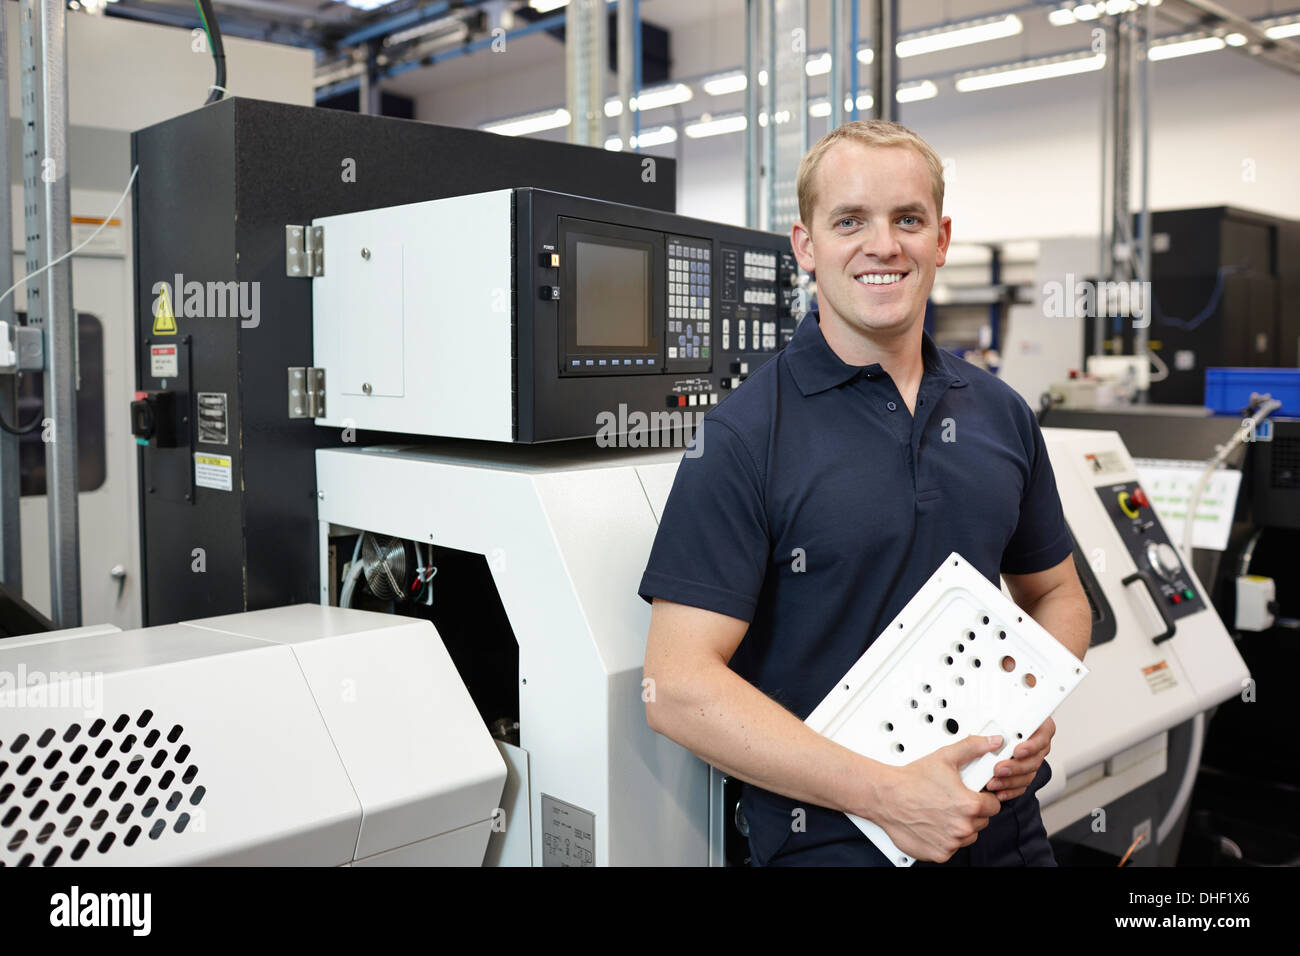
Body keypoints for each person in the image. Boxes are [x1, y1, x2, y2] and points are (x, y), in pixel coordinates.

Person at [638, 120, 1091, 866]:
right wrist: (888, 795)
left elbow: (1059, 593)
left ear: (941, 239)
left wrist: (1028, 699)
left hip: (1003, 829)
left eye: (907, 219)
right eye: (850, 221)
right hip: (832, 842)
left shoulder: (1000, 412)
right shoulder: (744, 437)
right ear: (805, 245)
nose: (883, 245)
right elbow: (678, 686)